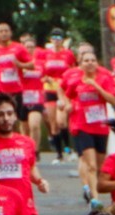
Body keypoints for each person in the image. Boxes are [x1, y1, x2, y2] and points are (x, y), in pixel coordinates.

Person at [60, 49, 115, 208]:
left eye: (93, 60)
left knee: (99, 167)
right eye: (86, 60)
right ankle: (95, 199)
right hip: (82, 126)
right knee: (91, 165)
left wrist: (96, 87)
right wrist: (66, 106)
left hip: (100, 127)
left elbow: (113, 100)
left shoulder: (104, 78)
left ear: (97, 63)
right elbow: (68, 96)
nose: (90, 63)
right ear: (81, 64)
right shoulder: (75, 80)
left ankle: (92, 191)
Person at [39, 29, 76, 162]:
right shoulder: (45, 54)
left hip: (63, 91)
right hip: (49, 90)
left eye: (59, 37)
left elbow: (73, 71)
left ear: (62, 39)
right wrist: (46, 79)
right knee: (53, 123)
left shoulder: (68, 54)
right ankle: (59, 154)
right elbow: (41, 74)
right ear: (50, 39)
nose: (56, 40)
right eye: (54, 37)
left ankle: (69, 150)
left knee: (62, 122)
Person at [0, 21, 35, 112]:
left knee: (16, 118)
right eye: (1, 31)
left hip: (16, 89)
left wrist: (20, 65)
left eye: (6, 31)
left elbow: (32, 65)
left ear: (10, 33)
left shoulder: (19, 47)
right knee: (1, 117)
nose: (4, 33)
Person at [17, 34, 47, 150]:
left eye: (31, 47)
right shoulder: (18, 64)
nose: (29, 49)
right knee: (25, 127)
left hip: (36, 97)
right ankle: (25, 148)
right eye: (27, 47)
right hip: (22, 97)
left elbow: (45, 77)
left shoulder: (40, 64)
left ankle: (35, 149)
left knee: (34, 125)